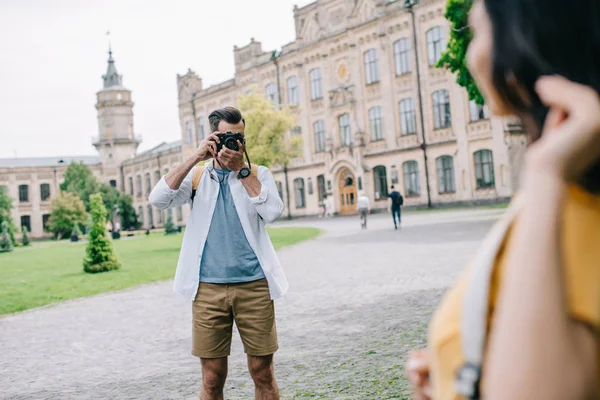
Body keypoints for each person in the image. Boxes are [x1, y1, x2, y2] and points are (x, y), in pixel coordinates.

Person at [406, 1, 600, 399]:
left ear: (522, 41)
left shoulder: (571, 204)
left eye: (476, 33)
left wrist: (544, 175)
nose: (469, 54)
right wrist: (458, 374)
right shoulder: (556, 196)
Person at [149, 107, 287, 400]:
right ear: (212, 137)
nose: (235, 143)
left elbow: (273, 212)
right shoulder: (198, 177)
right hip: (207, 289)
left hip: (254, 286)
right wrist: (196, 157)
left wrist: (241, 170)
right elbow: (158, 199)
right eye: (227, 137)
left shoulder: (258, 174)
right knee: (212, 378)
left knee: (263, 371)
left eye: (240, 137)